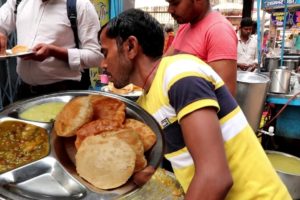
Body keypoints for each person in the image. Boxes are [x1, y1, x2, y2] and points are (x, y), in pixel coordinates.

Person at [99, 8, 291, 200]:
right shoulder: (148, 100)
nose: (103, 64)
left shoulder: (181, 76)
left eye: (105, 53)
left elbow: (215, 178)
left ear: (131, 46)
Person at [0, 0, 103, 100]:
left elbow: (96, 57)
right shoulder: (18, 1)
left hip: (65, 93)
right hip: (26, 92)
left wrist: (54, 51)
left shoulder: (80, 5)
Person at [165, 0, 237, 96]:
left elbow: (225, 97)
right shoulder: (185, 26)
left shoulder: (219, 30)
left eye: (175, 3)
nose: (170, 10)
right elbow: (165, 62)